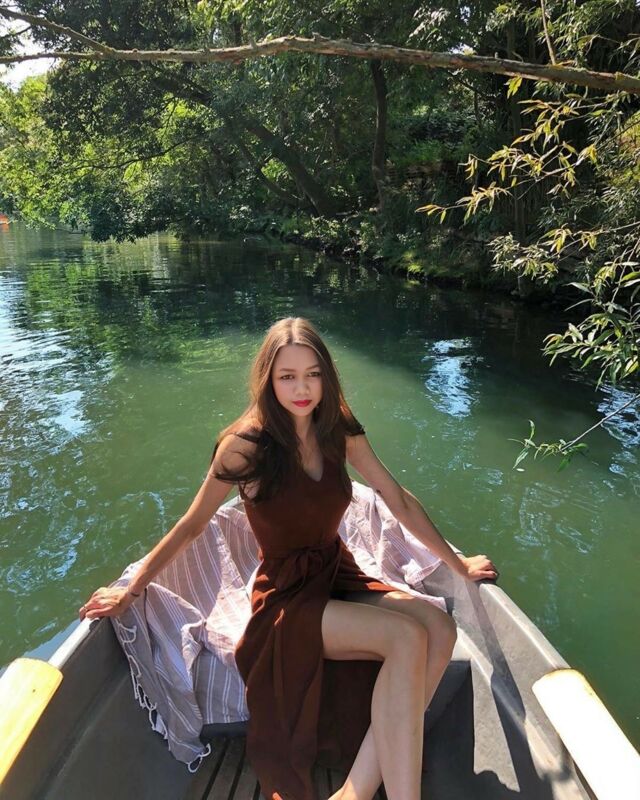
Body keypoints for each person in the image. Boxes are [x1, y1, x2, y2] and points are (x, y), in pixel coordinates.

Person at [79, 316, 498, 800]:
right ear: (268, 380)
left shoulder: (337, 428)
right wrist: (131, 590)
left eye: (313, 375)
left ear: (327, 376)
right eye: (288, 376)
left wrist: (458, 566)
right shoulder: (245, 447)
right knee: (406, 637)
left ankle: (355, 791)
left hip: (335, 572)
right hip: (285, 599)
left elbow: (397, 498)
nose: (302, 389)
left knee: (439, 627)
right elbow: (192, 525)